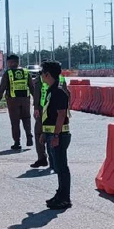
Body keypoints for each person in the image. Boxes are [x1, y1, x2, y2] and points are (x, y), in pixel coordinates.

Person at [40, 61, 71, 210]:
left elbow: (61, 115)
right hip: (52, 133)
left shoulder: (58, 91)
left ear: (47, 74)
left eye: (42, 72)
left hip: (59, 135)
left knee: (61, 167)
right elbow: (49, 115)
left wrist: (56, 136)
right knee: (58, 166)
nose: (40, 75)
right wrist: (45, 134)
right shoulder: (51, 89)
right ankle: (60, 194)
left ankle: (64, 198)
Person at [0, 54, 32, 151]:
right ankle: (29, 136)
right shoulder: (26, 72)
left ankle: (17, 142)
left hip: (13, 101)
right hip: (25, 100)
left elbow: (2, 88)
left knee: (15, 122)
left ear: (10, 62)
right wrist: (36, 100)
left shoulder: (8, 73)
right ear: (18, 62)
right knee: (26, 119)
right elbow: (32, 87)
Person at [29, 72, 50, 169]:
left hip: (43, 110)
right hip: (58, 110)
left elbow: (36, 94)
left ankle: (42, 158)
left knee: (39, 133)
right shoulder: (60, 78)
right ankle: (54, 161)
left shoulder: (40, 79)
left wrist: (36, 108)